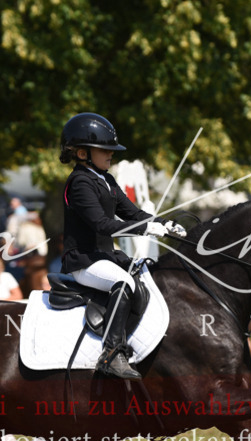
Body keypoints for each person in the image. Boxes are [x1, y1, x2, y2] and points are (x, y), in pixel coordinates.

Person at [58, 112, 184, 379]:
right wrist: (145, 230)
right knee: (123, 284)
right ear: (82, 153)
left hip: (105, 257)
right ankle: (111, 354)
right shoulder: (80, 183)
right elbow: (102, 225)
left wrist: (164, 224)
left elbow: (133, 214)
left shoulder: (107, 180)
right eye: (104, 149)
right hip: (84, 261)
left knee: (148, 276)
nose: (111, 154)